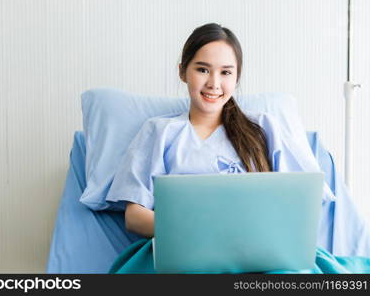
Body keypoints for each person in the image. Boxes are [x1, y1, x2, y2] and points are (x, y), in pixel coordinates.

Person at [105, 23, 370, 273]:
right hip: (184, 253)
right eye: (202, 69)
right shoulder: (159, 132)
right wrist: (201, 232)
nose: (214, 83)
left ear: (236, 78)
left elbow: (304, 199)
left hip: (259, 255)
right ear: (182, 71)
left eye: (226, 72)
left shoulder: (265, 128)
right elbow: (135, 217)